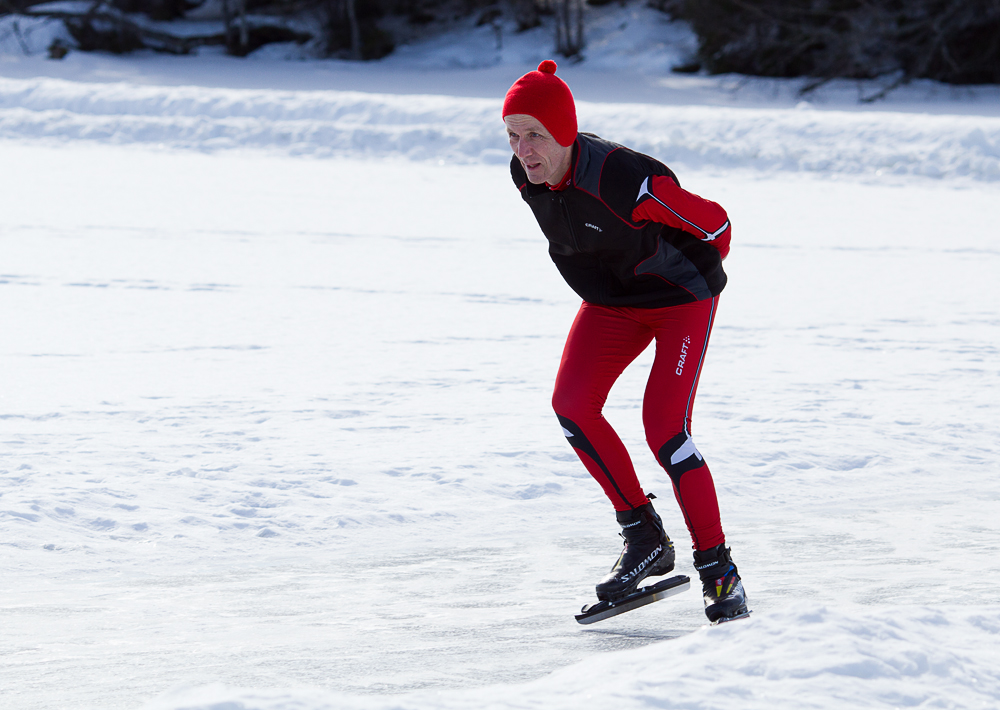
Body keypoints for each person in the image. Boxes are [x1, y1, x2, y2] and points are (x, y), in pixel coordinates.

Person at [502, 60, 748, 623]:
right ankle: (644, 537)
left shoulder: (625, 180)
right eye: (513, 136)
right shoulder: (524, 175)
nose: (524, 149)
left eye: (535, 134)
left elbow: (716, 227)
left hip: (680, 301)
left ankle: (719, 570)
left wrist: (683, 276)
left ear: (565, 132)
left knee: (665, 430)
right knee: (573, 408)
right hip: (614, 304)